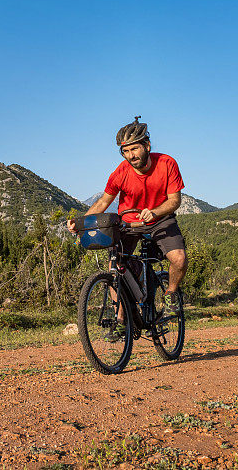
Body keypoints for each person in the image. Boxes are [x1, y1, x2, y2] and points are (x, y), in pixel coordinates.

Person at [68, 116, 188, 341]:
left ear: (147, 146)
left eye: (134, 149)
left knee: (179, 259)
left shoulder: (167, 163)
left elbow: (175, 201)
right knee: (116, 267)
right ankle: (121, 320)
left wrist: (155, 212)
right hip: (128, 222)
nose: (131, 155)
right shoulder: (120, 172)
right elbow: (103, 202)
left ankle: (171, 294)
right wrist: (81, 222)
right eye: (125, 151)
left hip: (161, 219)